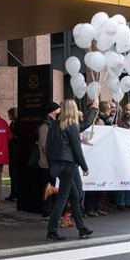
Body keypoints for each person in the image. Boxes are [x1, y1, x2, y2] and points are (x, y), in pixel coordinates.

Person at [45, 99, 92, 242]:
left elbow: (48, 147)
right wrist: (84, 166)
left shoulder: (53, 125)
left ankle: (82, 228)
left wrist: (51, 162)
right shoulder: (72, 126)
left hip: (56, 164)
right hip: (68, 165)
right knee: (64, 199)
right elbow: (77, 149)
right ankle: (51, 230)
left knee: (74, 197)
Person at [37, 102, 61, 221]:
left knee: (53, 186)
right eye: (57, 109)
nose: (59, 111)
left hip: (53, 162)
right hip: (47, 162)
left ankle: (52, 211)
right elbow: (44, 144)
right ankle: (46, 212)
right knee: (47, 187)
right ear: (53, 111)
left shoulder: (53, 124)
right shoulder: (45, 126)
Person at [6, 107, 19, 202]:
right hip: (11, 150)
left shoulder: (18, 125)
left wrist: (11, 136)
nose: (8, 116)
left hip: (16, 151)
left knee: (15, 175)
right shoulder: (12, 124)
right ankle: (13, 193)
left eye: (9, 114)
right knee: (12, 174)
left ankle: (15, 193)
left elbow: (19, 137)